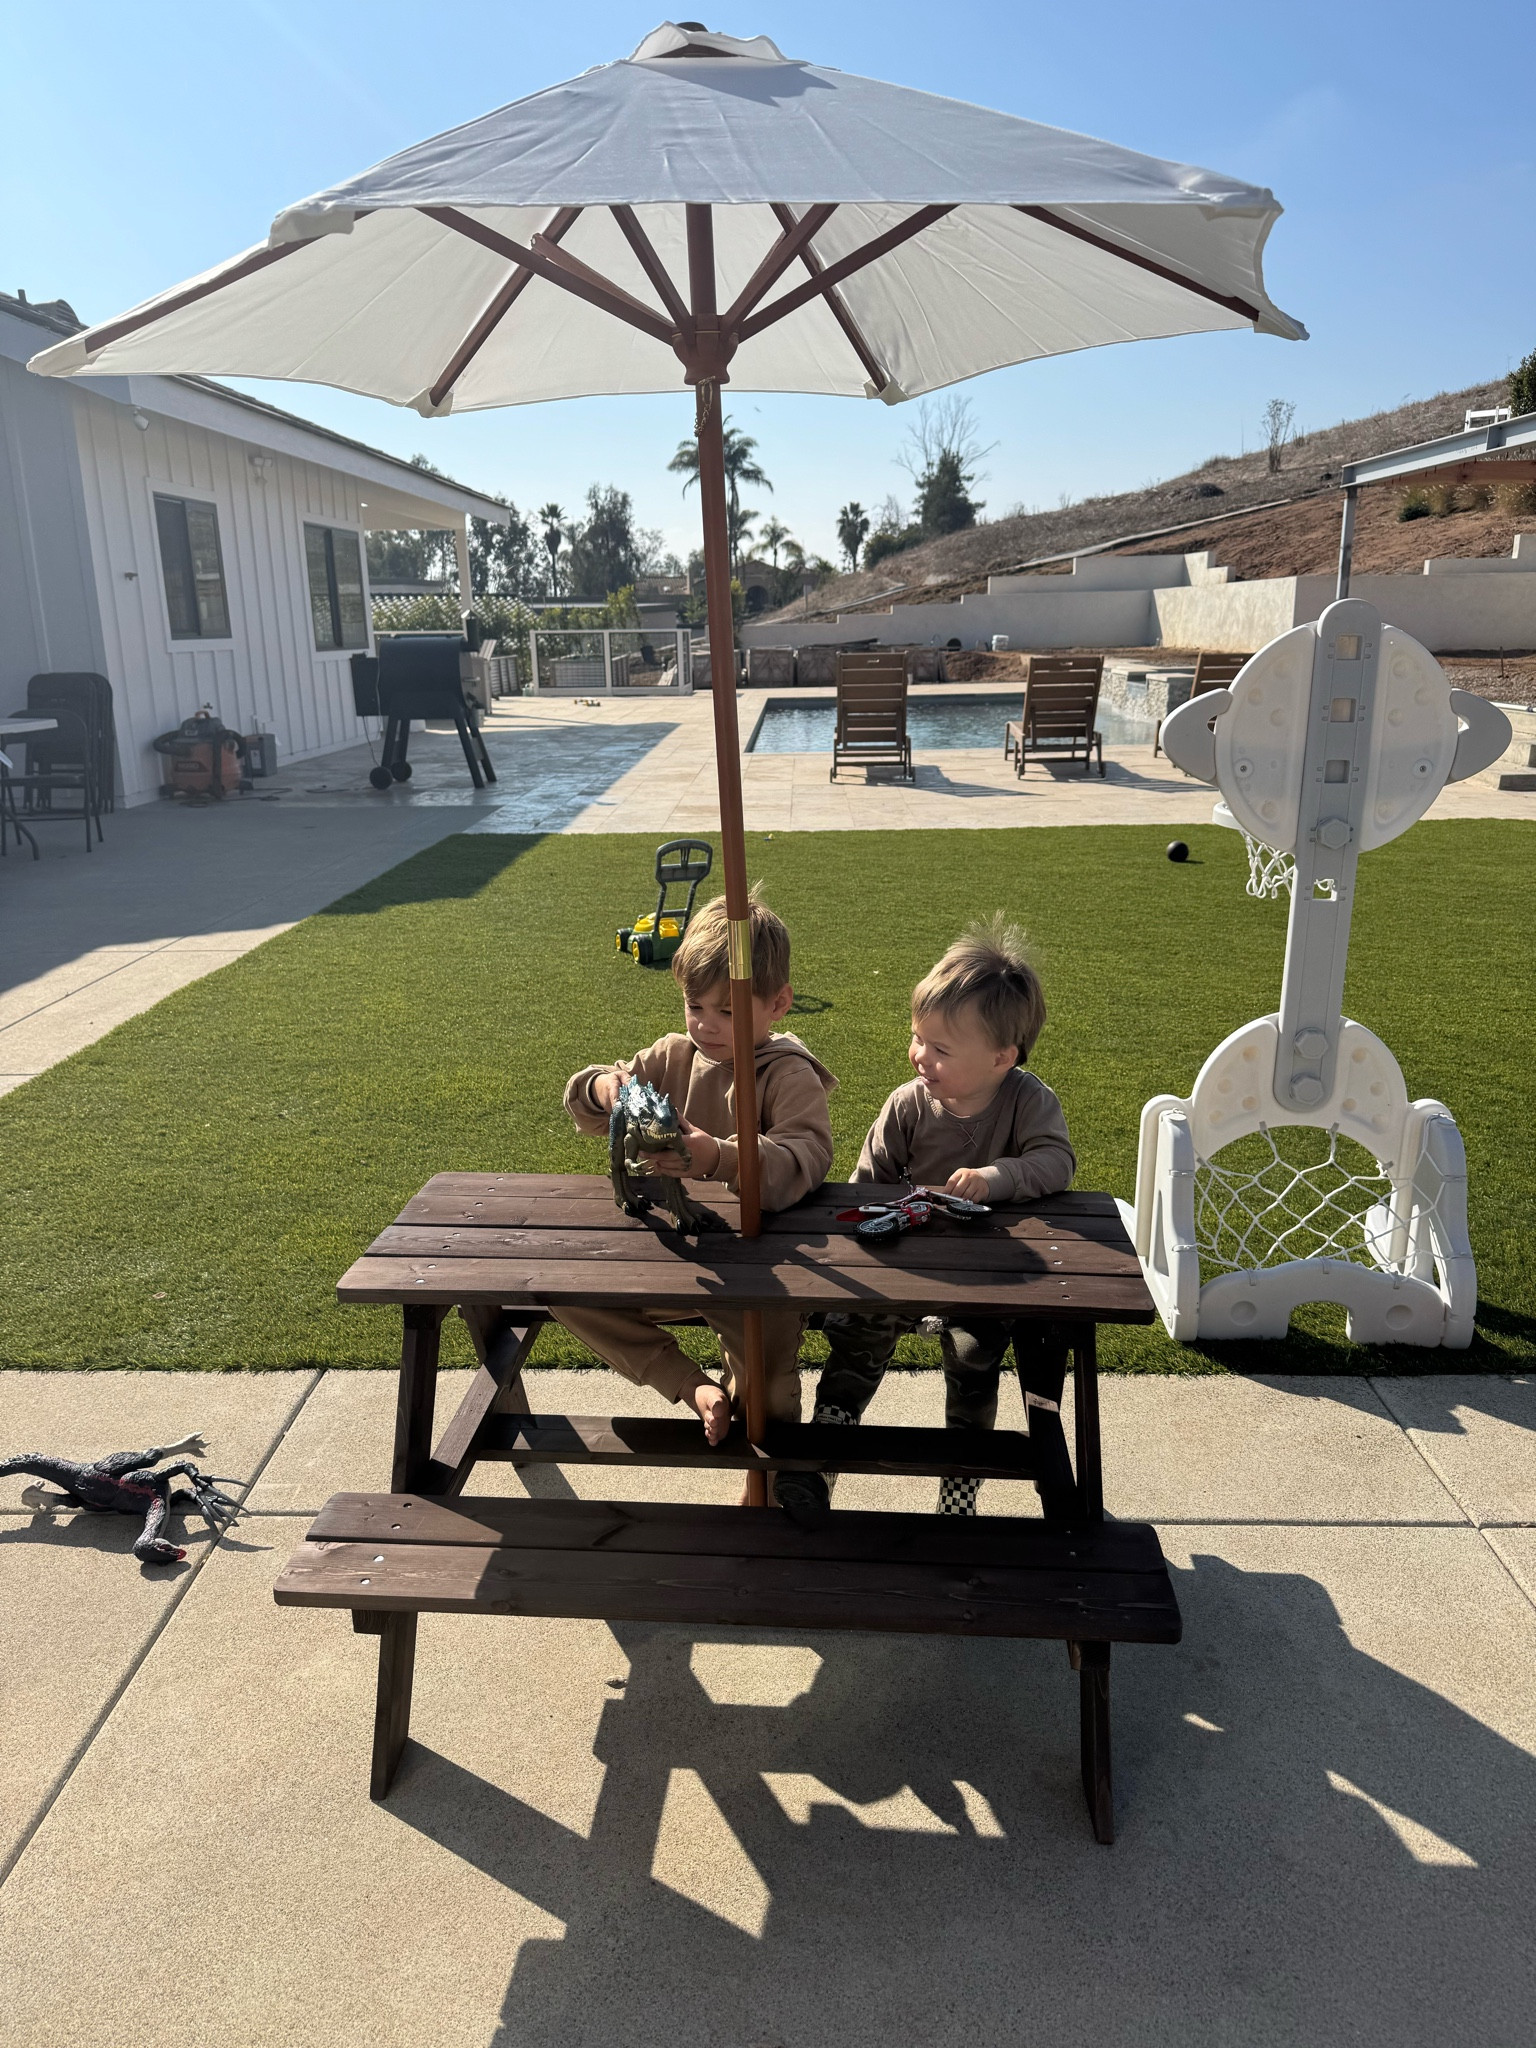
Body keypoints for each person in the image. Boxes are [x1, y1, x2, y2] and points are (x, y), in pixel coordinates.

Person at [792, 915, 1076, 1519]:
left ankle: (959, 1487)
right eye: (917, 1036)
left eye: (940, 1048)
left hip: (985, 1277)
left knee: (975, 1362)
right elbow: (867, 1185)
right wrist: (890, 1214)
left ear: (1003, 1056)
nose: (919, 1054)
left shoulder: (1029, 1101)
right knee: (856, 1341)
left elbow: (1057, 1163)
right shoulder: (907, 1105)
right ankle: (824, 1453)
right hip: (901, 1269)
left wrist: (1001, 1178)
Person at [559, 891, 835, 1447]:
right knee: (563, 1289)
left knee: (770, 1390)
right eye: (695, 1005)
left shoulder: (787, 1076)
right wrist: (602, 1087)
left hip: (761, 1268)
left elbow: (804, 1159)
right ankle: (690, 1386)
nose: (707, 1025)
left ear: (778, 1003)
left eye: (728, 1011)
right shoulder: (670, 1055)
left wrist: (719, 1157)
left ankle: (767, 1481)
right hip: (672, 1259)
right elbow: (587, 1107)